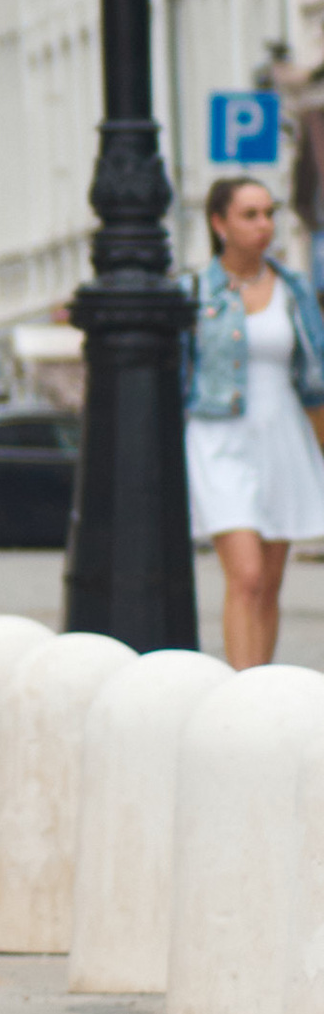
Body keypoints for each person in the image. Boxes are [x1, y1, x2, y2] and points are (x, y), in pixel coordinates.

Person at [184, 172, 324, 668]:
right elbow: (180, 375)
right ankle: (238, 695)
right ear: (220, 223)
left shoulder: (294, 289)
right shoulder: (195, 292)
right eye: (250, 215)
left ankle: (263, 690)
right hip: (218, 436)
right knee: (244, 576)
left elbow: (315, 378)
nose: (264, 225)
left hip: (281, 435)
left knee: (269, 584)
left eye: (270, 213)